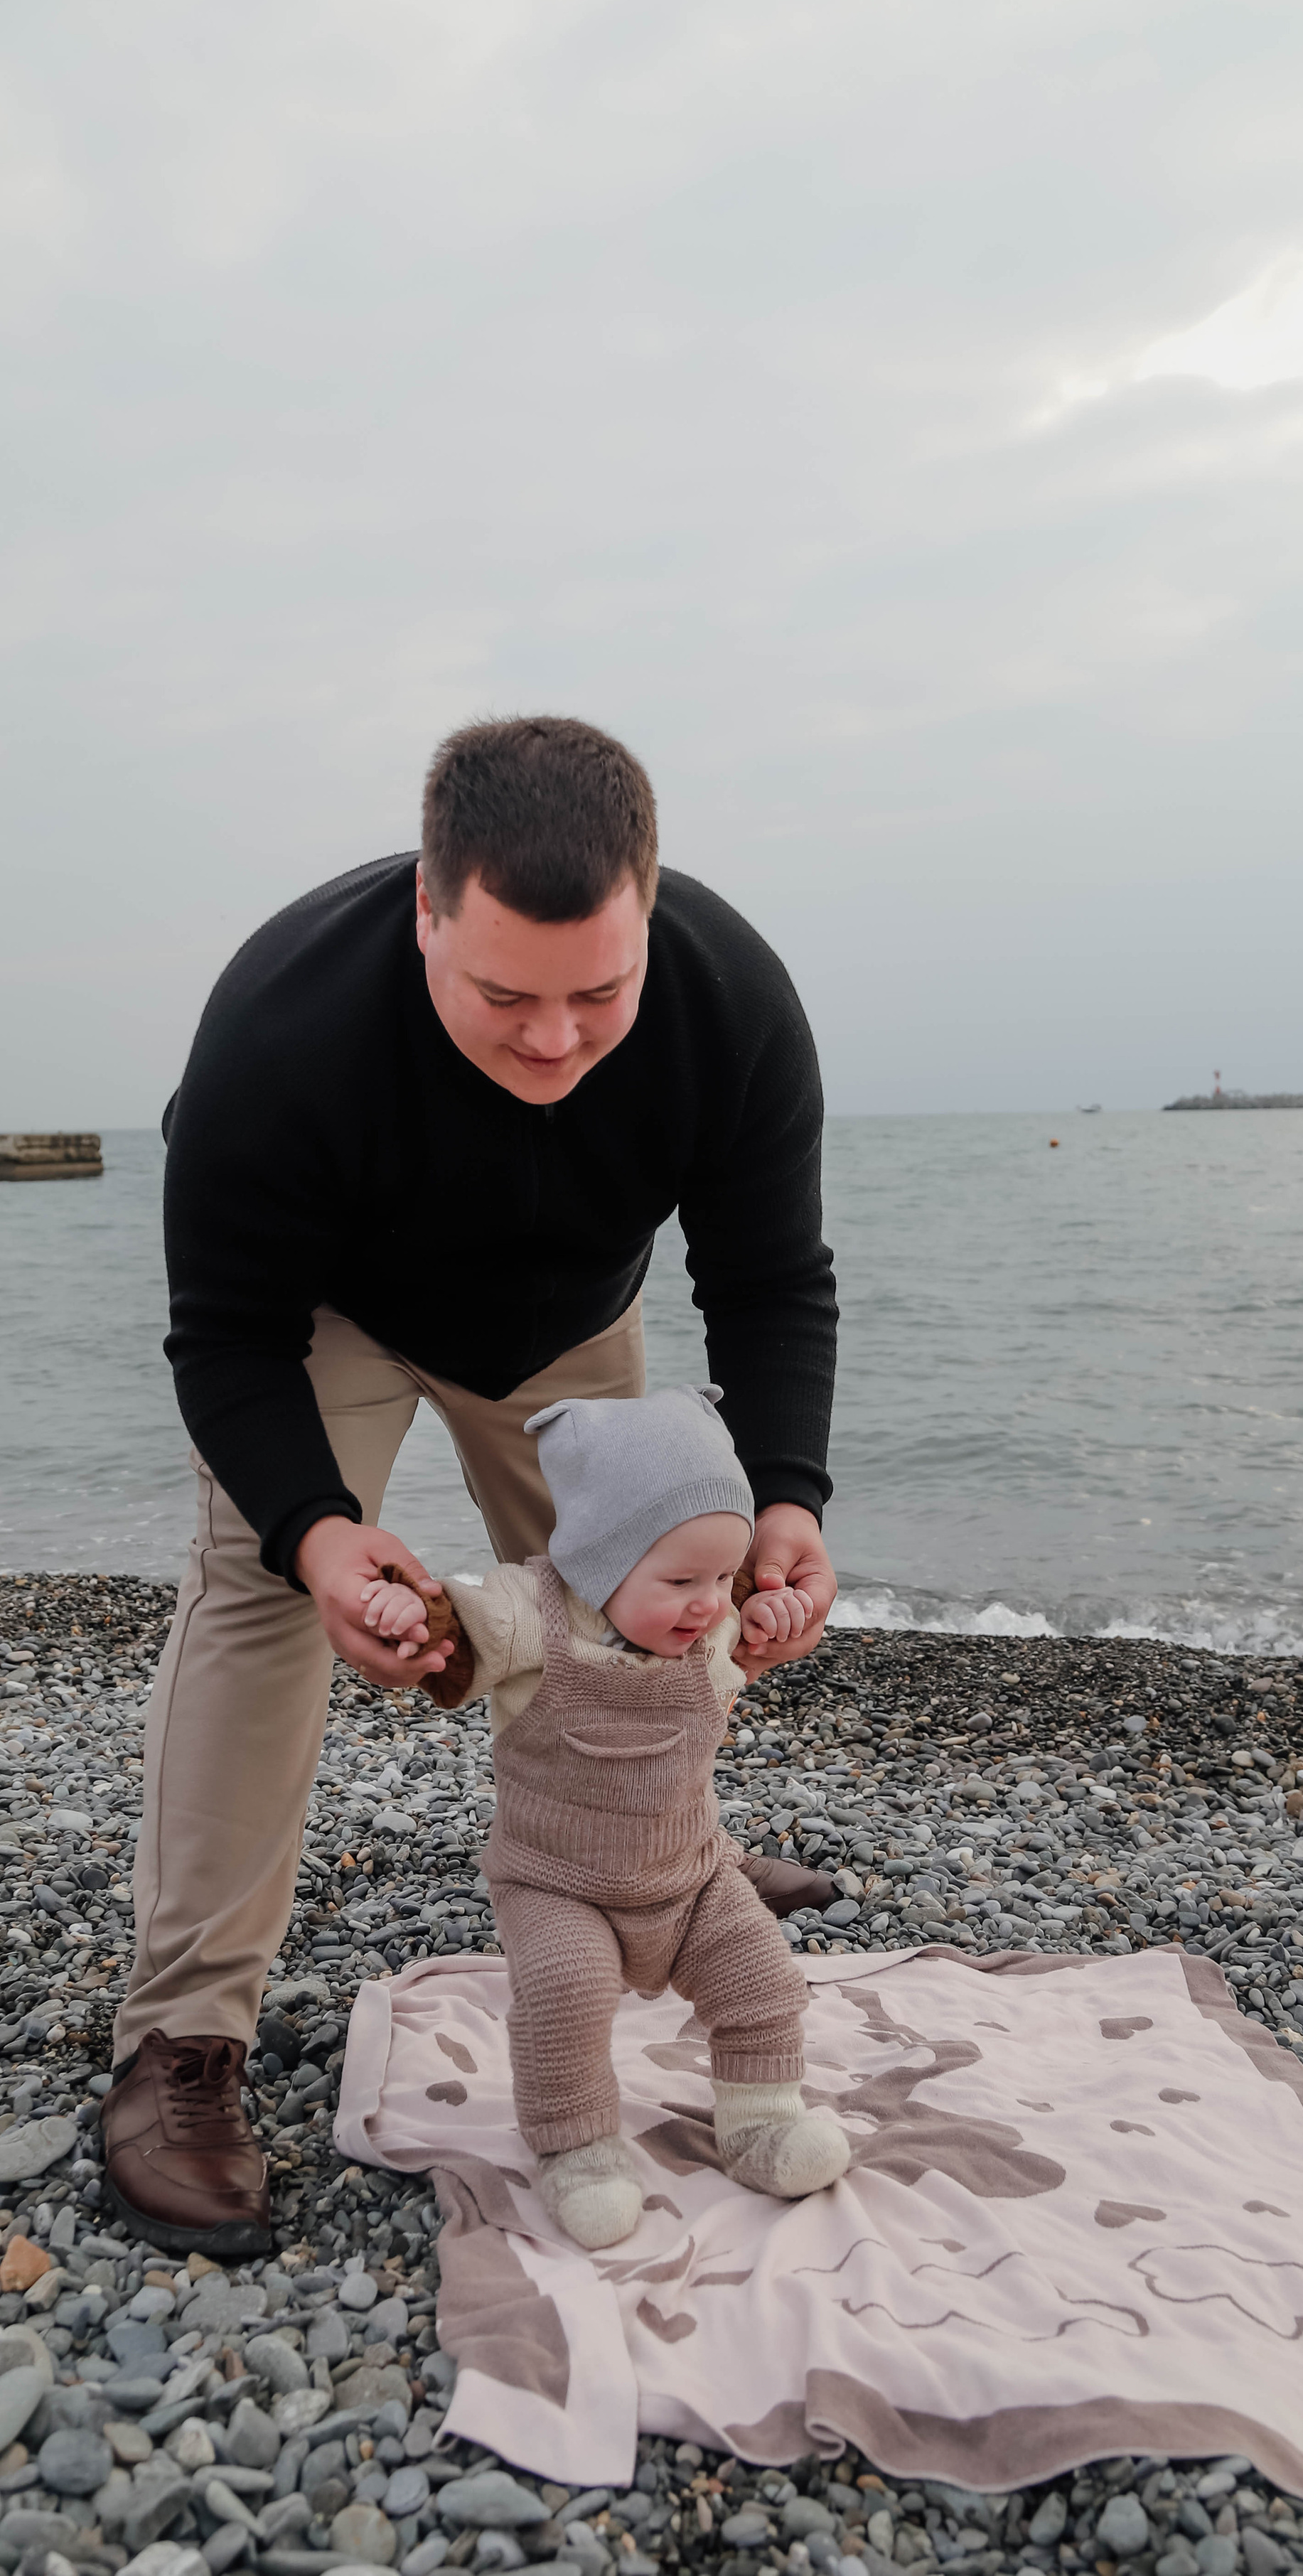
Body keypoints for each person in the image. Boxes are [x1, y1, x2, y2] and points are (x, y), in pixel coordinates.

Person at [102, 716, 840, 2259]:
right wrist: (312, 1533)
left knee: (655, 1599)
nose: (555, 1040)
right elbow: (223, 1337)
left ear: (649, 906)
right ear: (425, 913)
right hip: (326, 1314)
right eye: (504, 993)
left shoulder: (731, 999)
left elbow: (770, 1280)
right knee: (253, 1598)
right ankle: (179, 2041)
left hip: (565, 1317)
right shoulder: (278, 1028)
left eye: (598, 992)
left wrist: (787, 1499)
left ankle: (663, 1863)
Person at [363, 1385, 852, 2248]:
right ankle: (578, 2151)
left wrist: (771, 1609)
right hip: (557, 1882)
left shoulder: (708, 1624)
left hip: (692, 1875)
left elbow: (749, 1632)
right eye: (680, 1580)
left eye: (718, 1577)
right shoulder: (529, 1617)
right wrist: (411, 1616)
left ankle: (762, 2125)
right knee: (565, 1994)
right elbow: (452, 1639)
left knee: (762, 1983)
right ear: (598, 1558)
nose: (707, 1603)